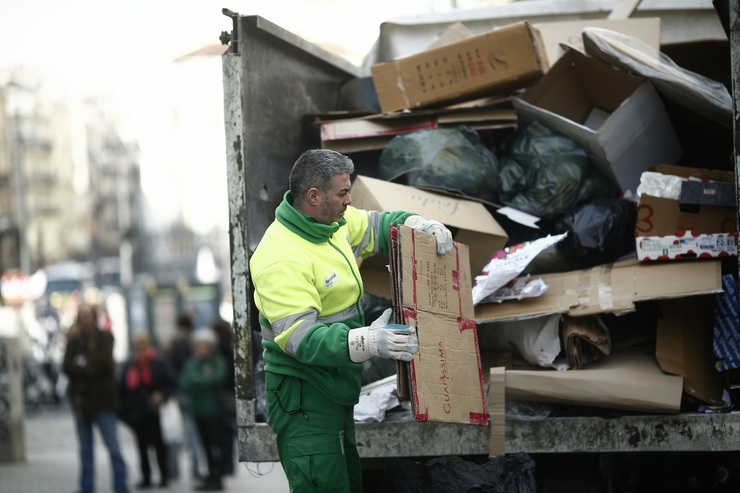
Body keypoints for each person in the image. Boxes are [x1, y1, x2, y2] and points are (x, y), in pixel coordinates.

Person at [249, 148, 453, 492]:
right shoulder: (280, 257)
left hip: (334, 389)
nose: (349, 200)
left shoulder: (332, 224)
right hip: (306, 400)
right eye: (343, 193)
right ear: (315, 197)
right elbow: (301, 339)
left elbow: (376, 225)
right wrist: (368, 341)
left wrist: (415, 224)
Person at [62, 303, 130, 493]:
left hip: (103, 401)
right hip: (81, 402)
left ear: (93, 317)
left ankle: (120, 486)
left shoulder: (105, 338)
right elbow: (66, 366)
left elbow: (105, 364)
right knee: (85, 449)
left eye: (88, 316)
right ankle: (86, 487)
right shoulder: (74, 341)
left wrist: (83, 364)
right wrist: (87, 366)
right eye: (82, 316)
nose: (85, 320)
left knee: (113, 446)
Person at [118, 332, 176, 489]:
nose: (139, 350)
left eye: (141, 346)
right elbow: (123, 388)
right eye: (136, 347)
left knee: (159, 446)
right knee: (141, 447)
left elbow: (169, 383)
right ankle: (146, 478)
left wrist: (161, 395)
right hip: (137, 413)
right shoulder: (130, 366)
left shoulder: (157, 363)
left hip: (155, 412)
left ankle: (164, 476)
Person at [178, 328, 228, 491]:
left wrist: (202, 383)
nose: (200, 350)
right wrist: (204, 381)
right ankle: (210, 475)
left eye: (204, 346)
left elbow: (217, 379)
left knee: (216, 444)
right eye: (198, 346)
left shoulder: (217, 361)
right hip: (197, 410)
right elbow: (186, 382)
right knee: (204, 445)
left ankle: (217, 476)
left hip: (213, 410)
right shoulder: (192, 363)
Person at [164, 311, 204, 481]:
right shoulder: (193, 343)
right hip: (190, 393)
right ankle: (195, 468)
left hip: (176, 393)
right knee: (192, 432)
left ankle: (173, 470)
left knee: (173, 431)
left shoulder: (171, 344)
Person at [210, 317, 237, 476]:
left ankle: (226, 463)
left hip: (224, 395)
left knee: (224, 431)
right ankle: (228, 463)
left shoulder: (220, 351)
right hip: (230, 393)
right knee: (227, 430)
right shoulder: (231, 347)